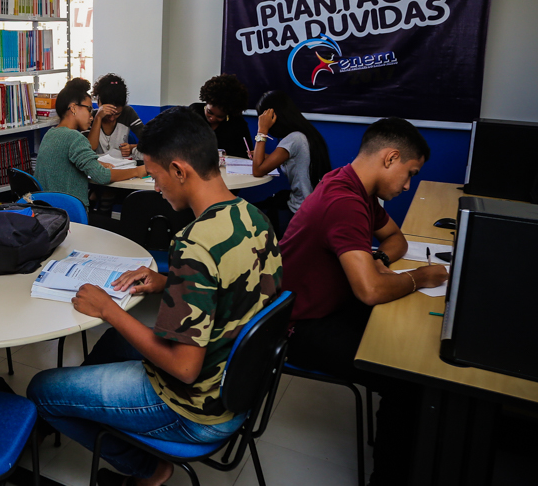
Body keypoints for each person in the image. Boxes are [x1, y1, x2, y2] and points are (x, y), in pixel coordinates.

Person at [27, 107, 282, 486]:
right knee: (114, 344)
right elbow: (234, 286)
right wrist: (167, 282)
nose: (156, 186)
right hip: (235, 389)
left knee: (41, 390)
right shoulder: (253, 217)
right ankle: (85, 408)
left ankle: (147, 469)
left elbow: (183, 368)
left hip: (194, 409)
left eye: (156, 175)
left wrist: (109, 309)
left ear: (180, 170)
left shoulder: (195, 243)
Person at [279, 117, 448, 486]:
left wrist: (379, 261)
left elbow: (396, 241)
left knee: (411, 345)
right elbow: (369, 291)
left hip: (330, 303)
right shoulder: (344, 200)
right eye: (409, 173)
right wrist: (419, 277)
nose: (407, 185)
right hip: (298, 324)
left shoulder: (356, 187)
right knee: (404, 377)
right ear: (390, 158)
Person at [35, 80, 146, 215]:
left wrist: (96, 163)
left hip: (46, 212)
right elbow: (101, 176)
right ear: (74, 108)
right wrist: (138, 171)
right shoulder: (75, 138)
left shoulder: (50, 134)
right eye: (88, 109)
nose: (91, 116)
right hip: (70, 214)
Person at [250, 90, 332, 234]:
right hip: (314, 209)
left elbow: (258, 171)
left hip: (300, 213)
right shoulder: (305, 134)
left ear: (274, 117)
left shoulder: (294, 139)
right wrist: (264, 156)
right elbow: (293, 160)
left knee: (248, 218)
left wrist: (262, 130)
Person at [190, 74, 253, 158]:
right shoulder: (193, 113)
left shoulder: (237, 123)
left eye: (220, 117)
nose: (212, 118)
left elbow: (245, 154)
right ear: (206, 101)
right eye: (209, 112)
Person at [87, 73, 145, 159]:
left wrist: (131, 147)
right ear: (99, 102)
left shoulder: (128, 113)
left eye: (117, 114)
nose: (112, 118)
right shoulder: (90, 117)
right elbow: (90, 148)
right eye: (108, 114)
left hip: (122, 164)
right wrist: (98, 118)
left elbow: (148, 140)